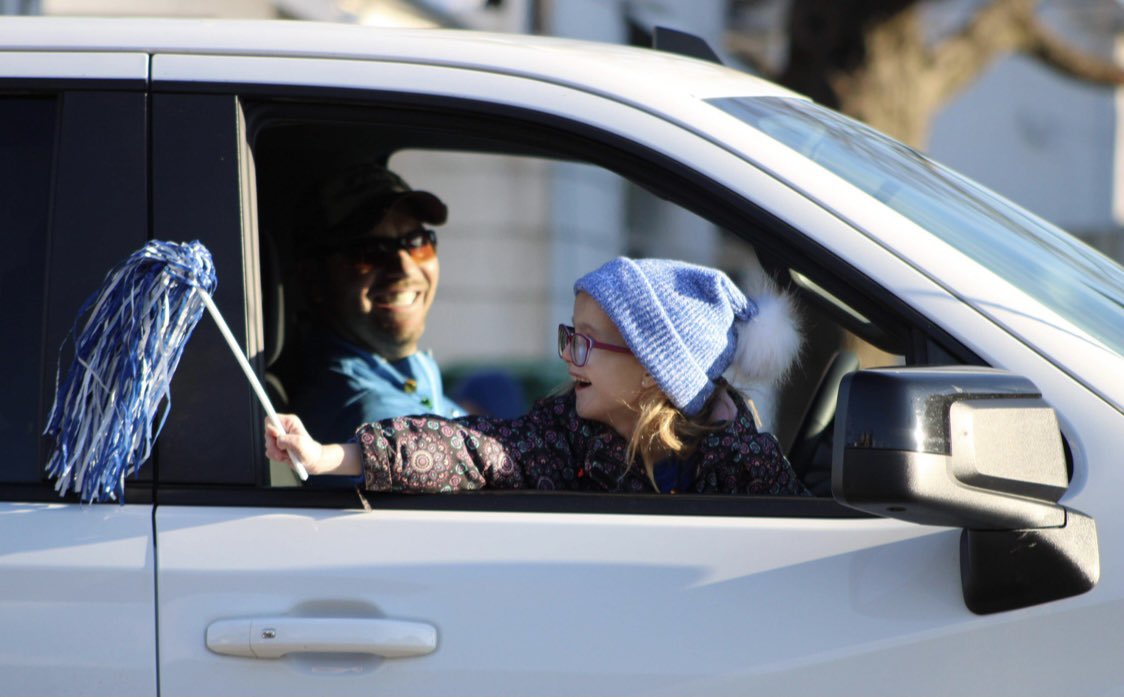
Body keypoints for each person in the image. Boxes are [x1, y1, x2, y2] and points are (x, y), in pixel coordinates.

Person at [268, 257, 809, 496]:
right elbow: (469, 449)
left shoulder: (744, 467)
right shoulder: (563, 435)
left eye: (588, 342)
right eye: (569, 335)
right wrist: (328, 456)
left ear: (654, 371)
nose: (569, 356)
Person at [291, 162, 464, 444]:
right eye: (371, 251)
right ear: (314, 279)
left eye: (417, 241)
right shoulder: (376, 422)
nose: (405, 266)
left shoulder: (403, 380)